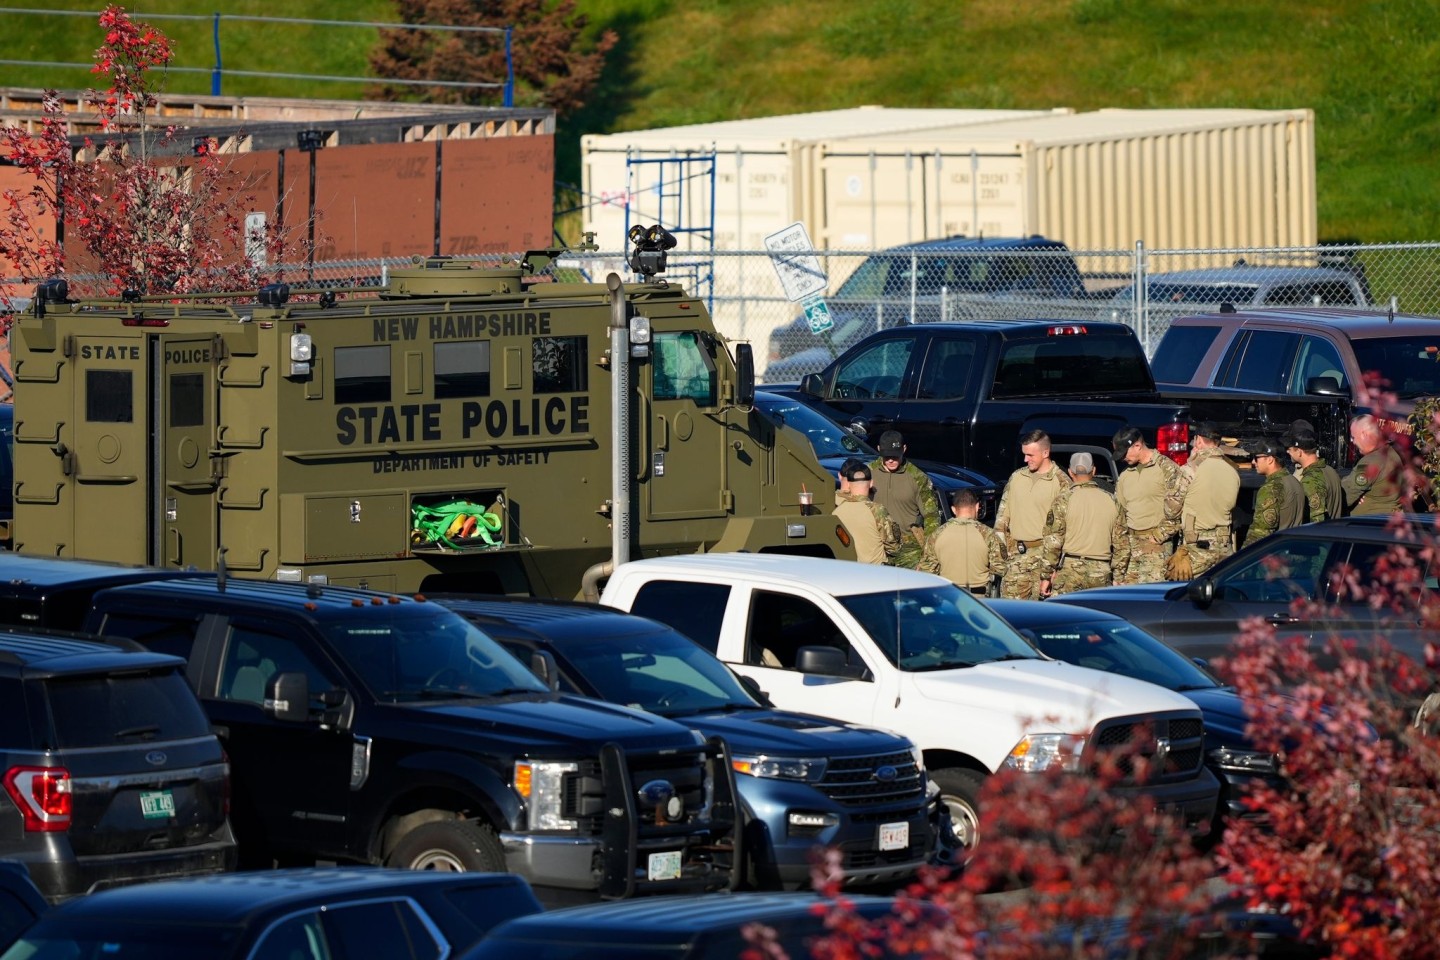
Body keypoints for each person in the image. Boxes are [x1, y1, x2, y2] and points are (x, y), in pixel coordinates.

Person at [993, 428, 1071, 599]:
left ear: (1045, 452)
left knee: (1041, 617)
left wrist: (1053, 569)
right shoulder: (1017, 477)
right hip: (1015, 559)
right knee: (1010, 615)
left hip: (1044, 560)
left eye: (1030, 455)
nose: (1025, 459)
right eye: (1024, 454)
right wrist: (1001, 556)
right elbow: (1002, 518)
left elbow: (1067, 529)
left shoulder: (1062, 483)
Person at [1041, 451, 1125, 596]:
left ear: (1070, 472)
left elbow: (1053, 542)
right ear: (1093, 470)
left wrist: (1046, 576)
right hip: (1101, 570)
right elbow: (1122, 544)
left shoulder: (1063, 500)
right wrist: (1118, 576)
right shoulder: (1112, 501)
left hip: (1069, 570)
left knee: (1067, 617)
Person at [1111, 425, 1185, 584]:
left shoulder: (1167, 468)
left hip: (1155, 547)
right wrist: (1119, 567)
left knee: (1151, 598)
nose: (1123, 458)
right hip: (1131, 546)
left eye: (1125, 453)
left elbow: (1177, 508)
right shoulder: (1125, 476)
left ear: (1137, 446)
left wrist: (1157, 537)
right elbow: (1120, 518)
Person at [868, 431, 942, 567]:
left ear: (904, 449)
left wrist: (929, 552)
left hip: (909, 548)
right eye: (886, 455)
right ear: (878, 449)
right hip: (876, 543)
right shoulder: (867, 473)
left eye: (895, 456)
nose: (891, 460)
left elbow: (931, 516)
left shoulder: (918, 477)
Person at [1176, 421, 1241, 576]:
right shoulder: (1232, 471)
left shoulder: (1190, 470)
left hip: (1197, 545)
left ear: (1198, 440)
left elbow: (1172, 507)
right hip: (1224, 544)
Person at [917, 488, 1007, 595]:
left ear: (954, 509)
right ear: (977, 506)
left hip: (949, 597)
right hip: (980, 600)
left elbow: (926, 571)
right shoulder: (988, 534)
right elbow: (1000, 568)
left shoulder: (937, 535)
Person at [832, 462, 900, 564]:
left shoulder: (836, 511)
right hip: (876, 572)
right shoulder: (877, 510)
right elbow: (893, 547)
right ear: (871, 483)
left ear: (849, 485)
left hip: (848, 571)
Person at [1243, 438, 1306, 547]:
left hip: (1276, 556)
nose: (1253, 462)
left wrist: (1243, 558)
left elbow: (1260, 533)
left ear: (1270, 460)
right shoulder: (1294, 481)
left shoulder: (1271, 488)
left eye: (1256, 457)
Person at [1342, 414, 1405, 516]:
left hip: (1368, 524)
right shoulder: (1391, 452)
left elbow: (1347, 495)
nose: (1352, 442)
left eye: (1353, 437)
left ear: (1365, 435)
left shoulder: (1370, 461)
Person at [1283, 426, 1344, 522]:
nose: (1287, 452)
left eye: (1290, 449)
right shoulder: (1330, 470)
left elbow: (1316, 522)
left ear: (1299, 452)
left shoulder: (1310, 480)